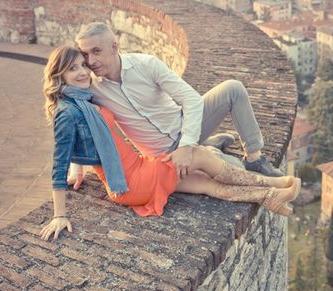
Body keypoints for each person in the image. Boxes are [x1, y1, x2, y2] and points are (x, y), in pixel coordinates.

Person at [39, 46, 300, 241]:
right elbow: (59, 162)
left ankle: (269, 197)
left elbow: (81, 141)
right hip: (131, 180)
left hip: (138, 170)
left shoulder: (83, 100)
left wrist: (79, 167)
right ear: (59, 76)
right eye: (73, 68)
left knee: (206, 185)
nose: (84, 71)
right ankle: (272, 182)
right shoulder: (69, 111)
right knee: (198, 158)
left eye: (83, 65)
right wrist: (59, 214)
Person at [67, 22, 283, 192]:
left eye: (96, 51)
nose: (91, 61)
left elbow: (192, 99)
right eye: (85, 54)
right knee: (236, 175)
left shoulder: (146, 64)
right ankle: (208, 148)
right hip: (163, 153)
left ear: (114, 47)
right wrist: (77, 168)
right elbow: (78, 123)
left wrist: (187, 144)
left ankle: (254, 158)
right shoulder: (92, 89)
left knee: (233, 88)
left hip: (183, 127)